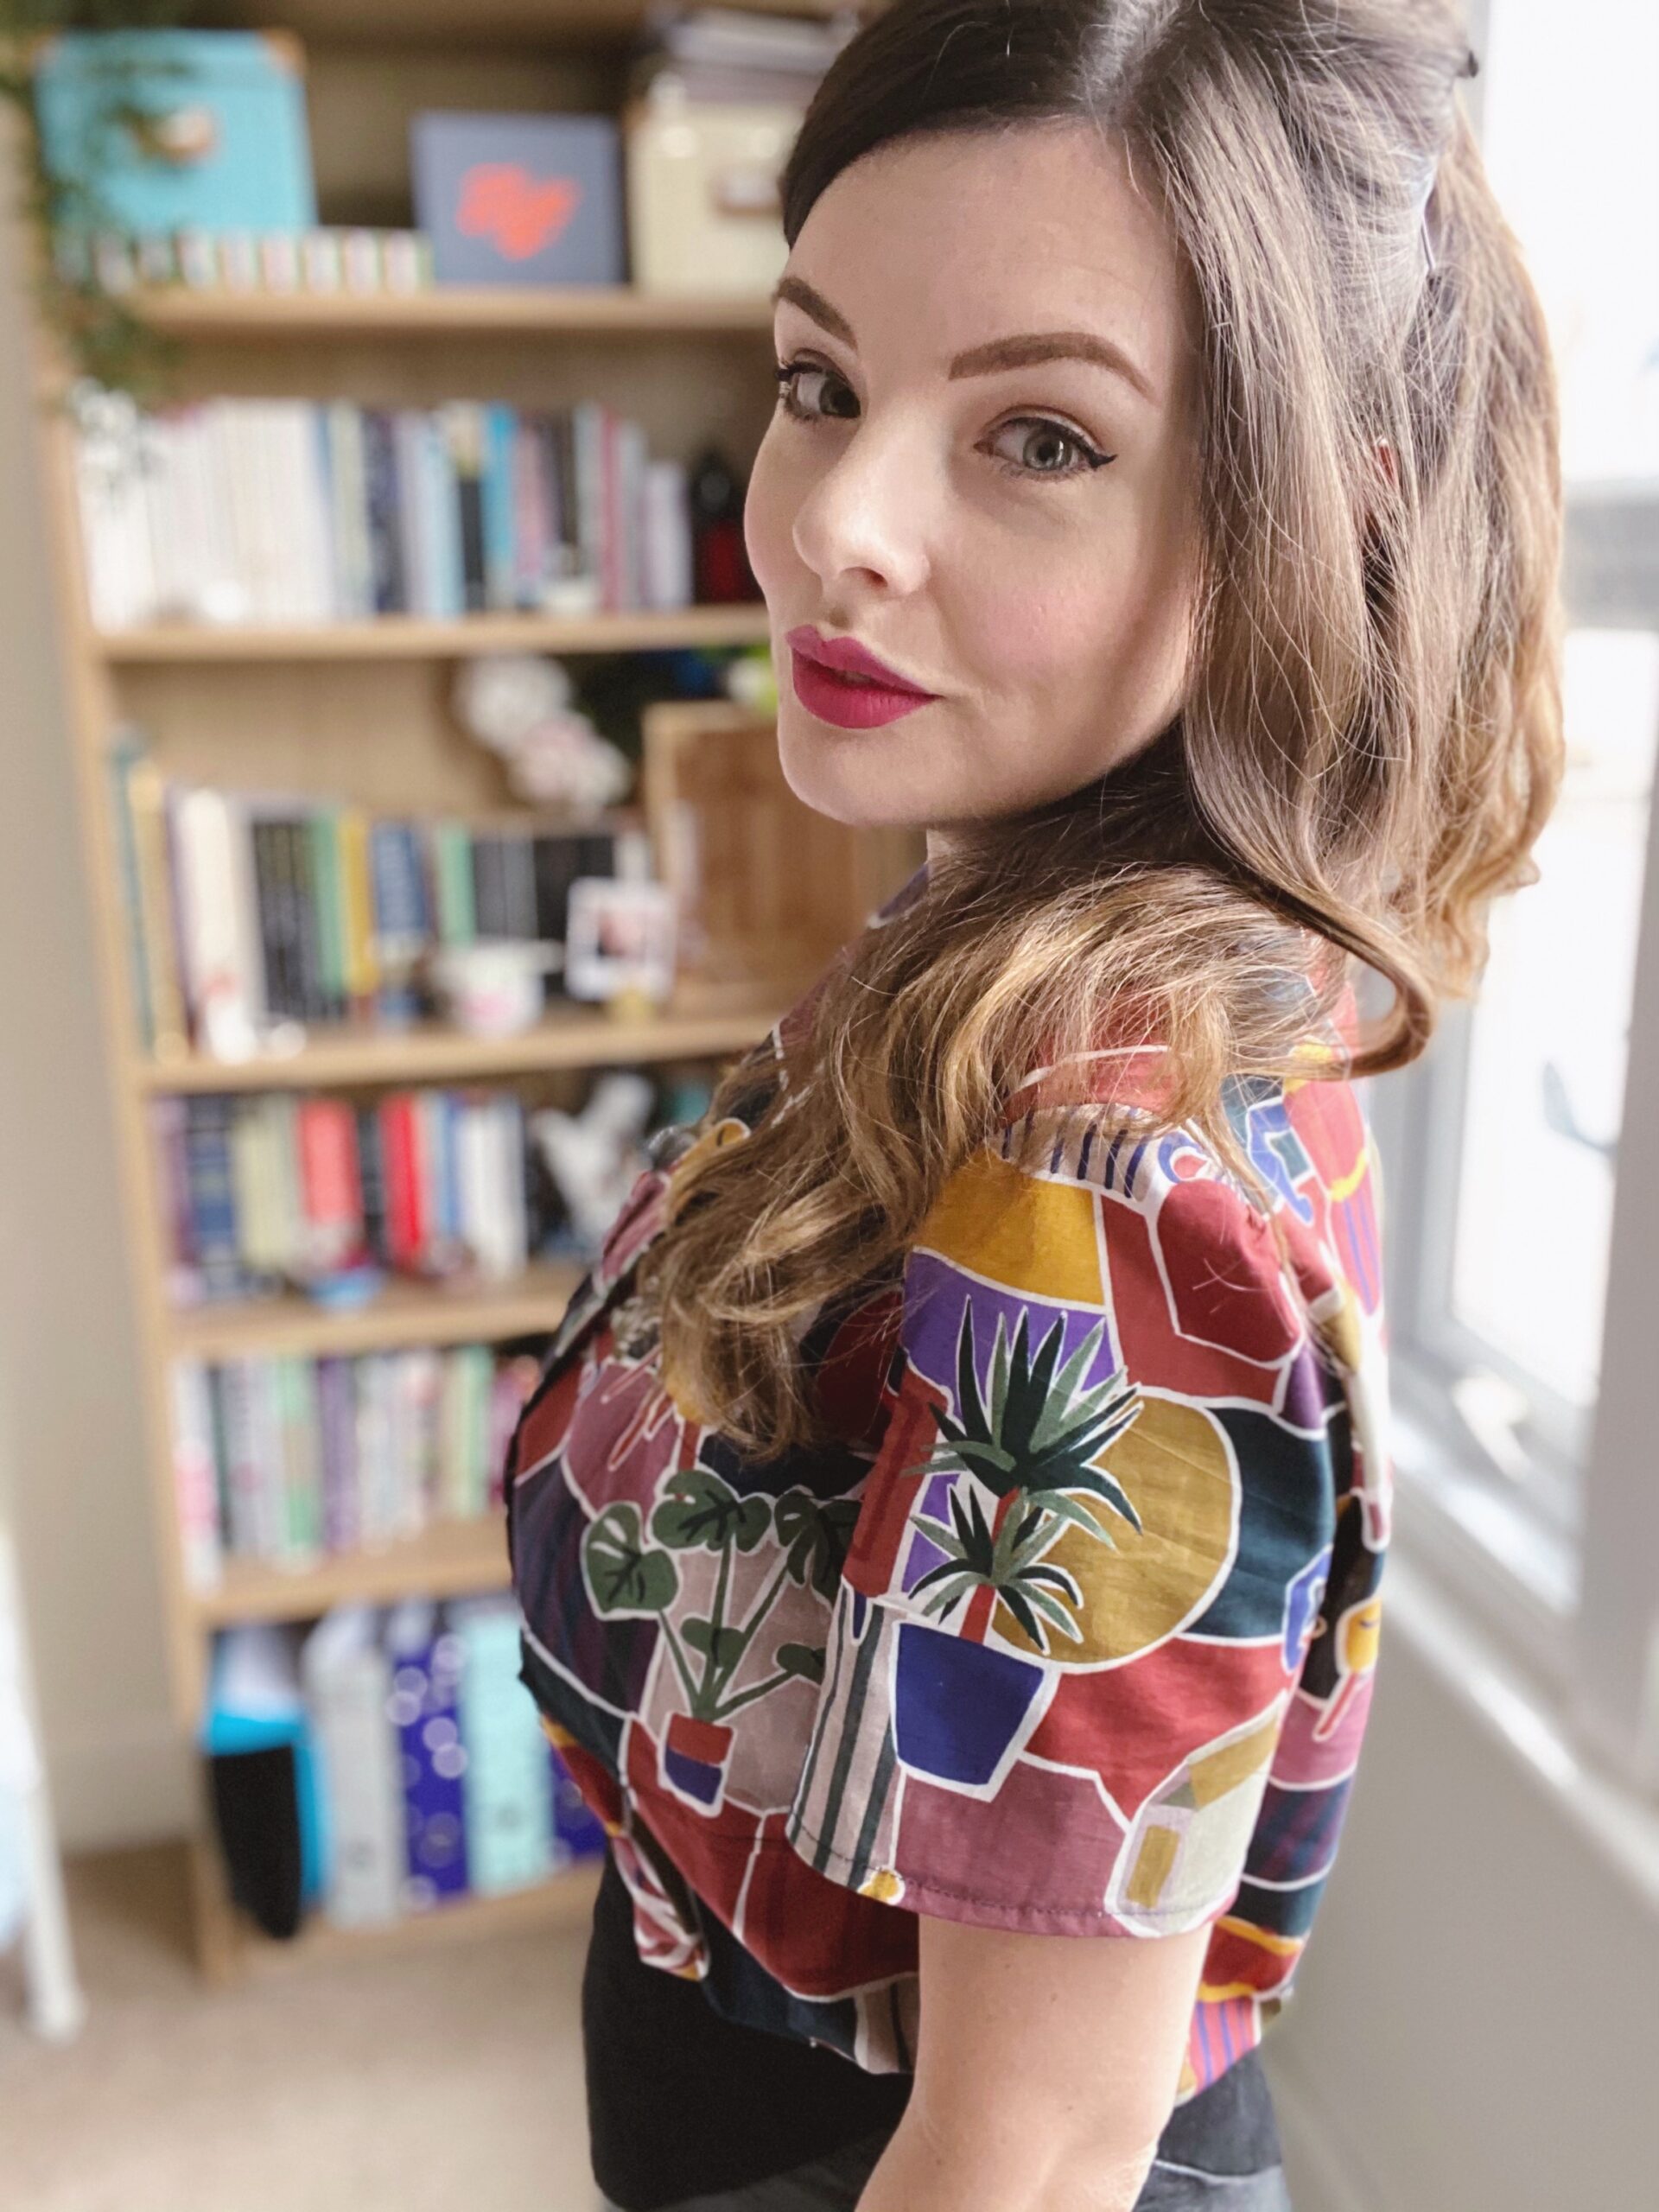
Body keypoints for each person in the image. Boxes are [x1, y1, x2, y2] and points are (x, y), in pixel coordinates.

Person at [505, 2, 1562, 2205]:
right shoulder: (1010, 931)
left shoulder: (1104, 1161)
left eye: (1045, 438)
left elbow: (1039, 2145)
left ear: (1315, 511)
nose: (839, 526)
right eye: (822, 383)